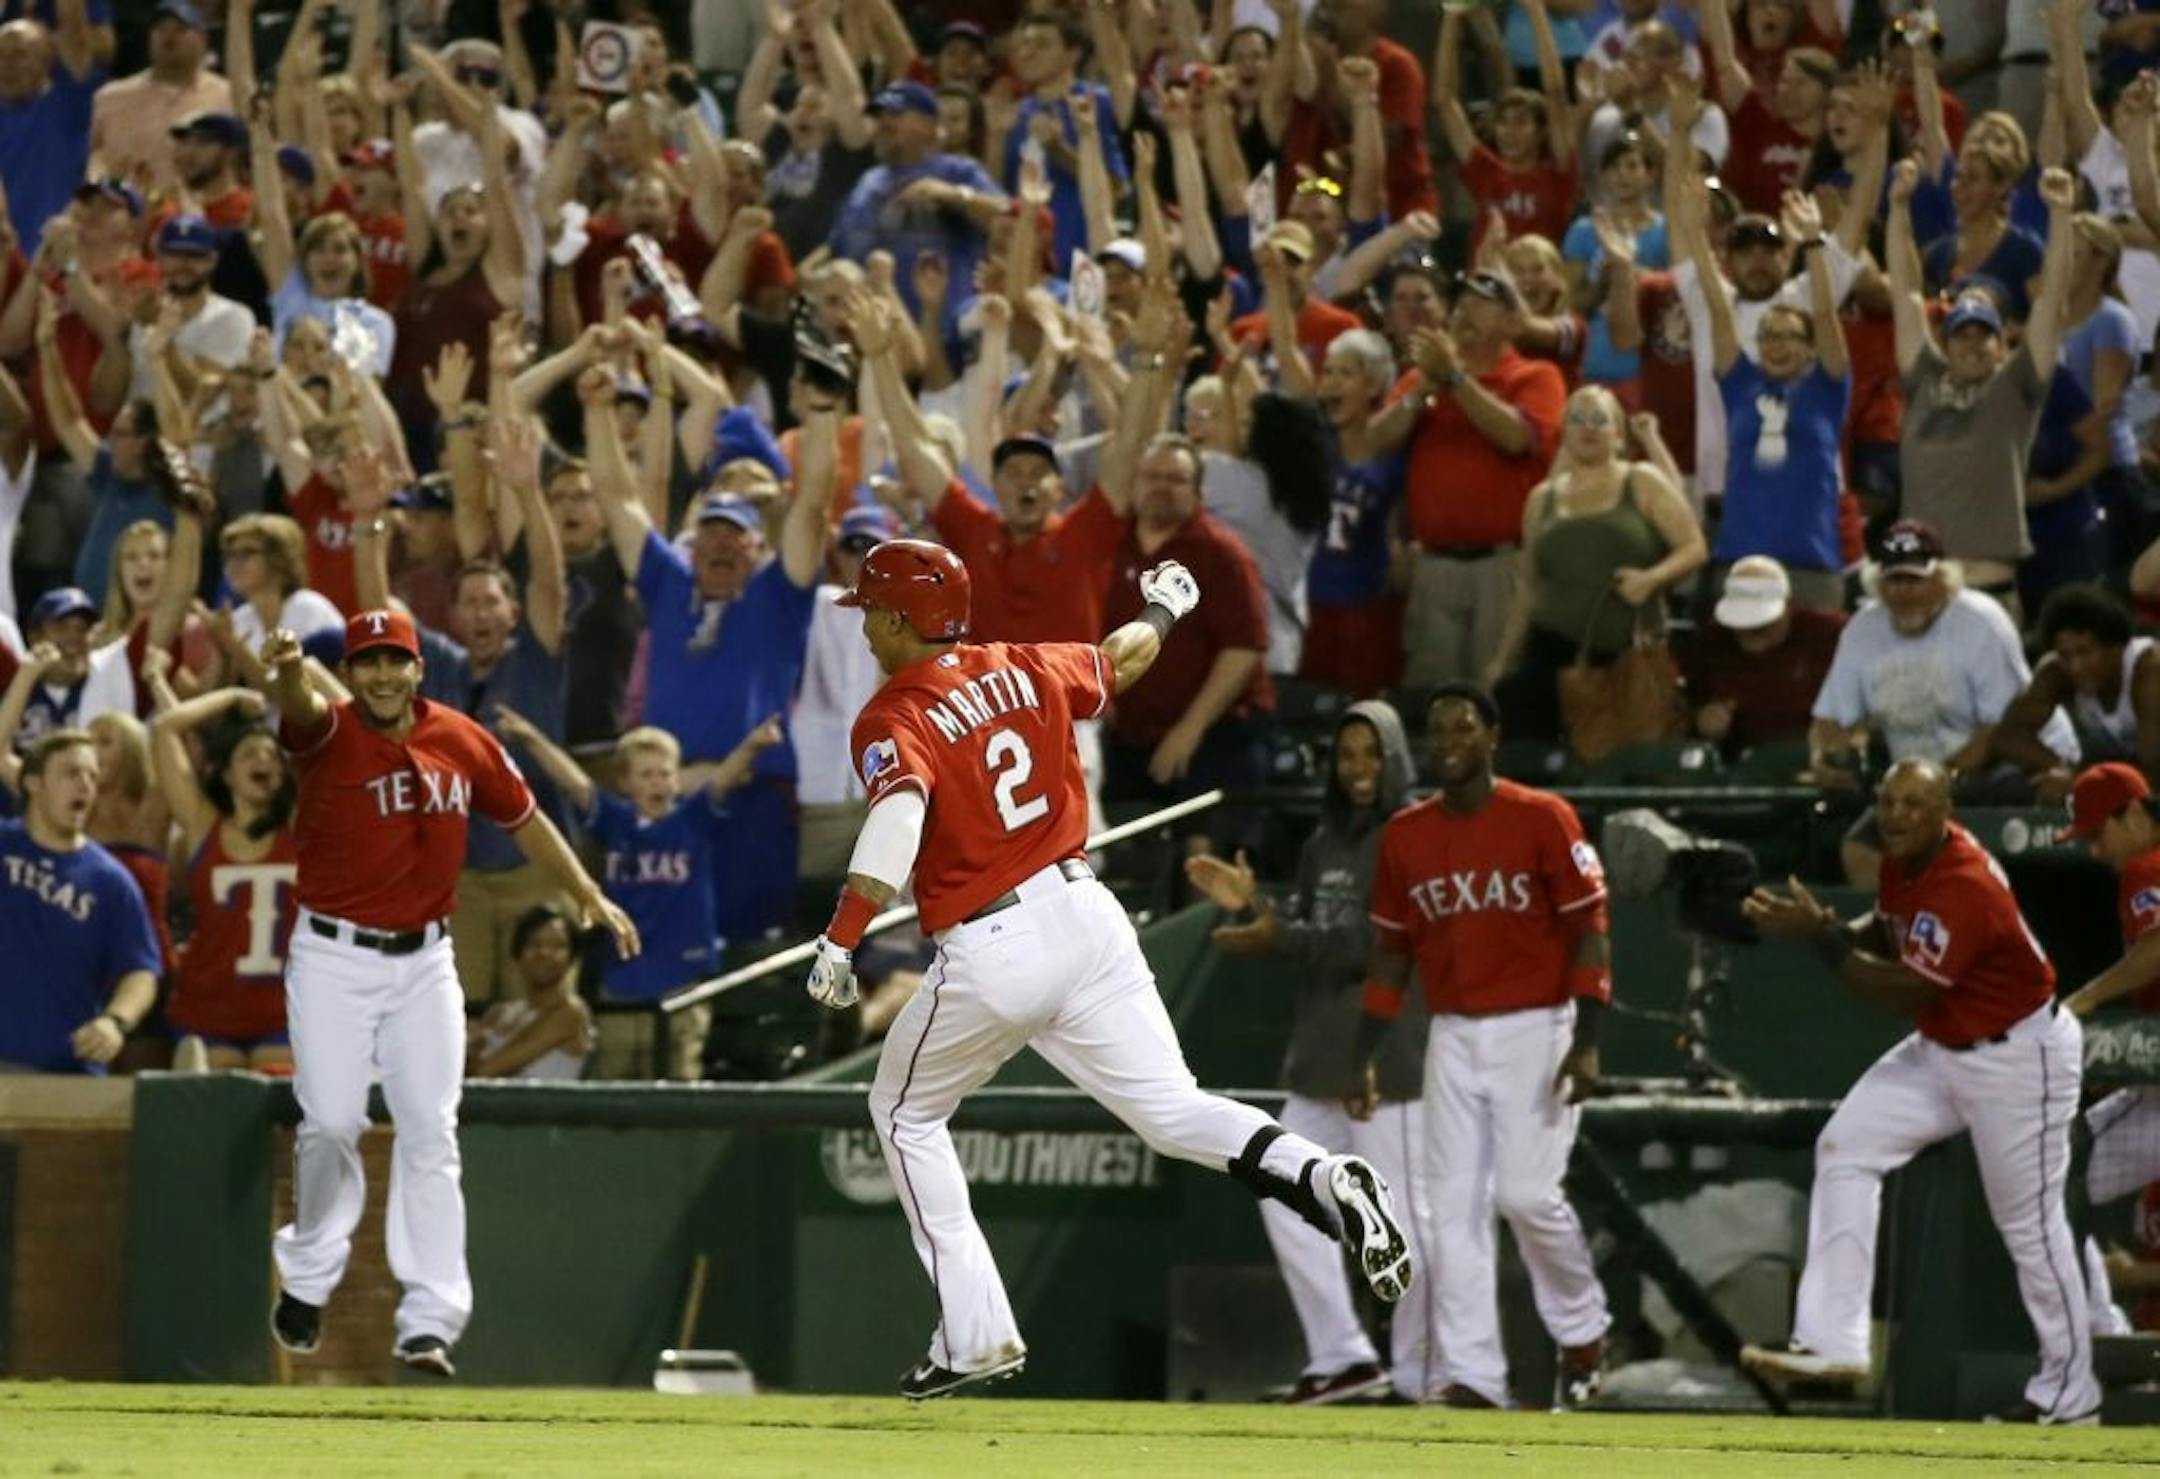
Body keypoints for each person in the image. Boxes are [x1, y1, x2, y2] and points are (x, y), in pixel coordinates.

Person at [805, 540, 1411, 1399]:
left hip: (996, 939)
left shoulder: (893, 713)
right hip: (1090, 916)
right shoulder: (1022, 663)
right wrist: (1166, 607)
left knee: (900, 1112)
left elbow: (900, 816)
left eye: (870, 609)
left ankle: (974, 1332)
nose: (864, 626)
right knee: (1172, 1108)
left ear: (902, 618)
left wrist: (843, 933)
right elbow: (1121, 658)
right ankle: (1319, 1171)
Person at [261, 609, 637, 1380]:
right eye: (367, 662)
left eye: (395, 660)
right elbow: (298, 709)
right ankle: (306, 1275)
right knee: (332, 1121)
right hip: (333, 954)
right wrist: (291, 671)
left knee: (432, 1132)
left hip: (426, 960)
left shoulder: (459, 738)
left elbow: (526, 820)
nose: (382, 675)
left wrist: (584, 890)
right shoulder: (329, 731)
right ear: (353, 670)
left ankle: (429, 1319)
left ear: (418, 666)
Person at [1741, 759, 2101, 1426]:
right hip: (1946, 1048)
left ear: (1947, 812)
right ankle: (1833, 1341)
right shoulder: (1902, 860)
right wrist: (1826, 923)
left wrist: (1817, 938)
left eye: (1914, 803)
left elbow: (1901, 990)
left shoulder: (1964, 882)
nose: (1896, 814)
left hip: (2019, 1055)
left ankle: (2070, 1395)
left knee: (2030, 1228)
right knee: (1846, 1145)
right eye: (1888, 801)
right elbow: (1885, 931)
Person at [1354, 683, 1615, 1410]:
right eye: (1436, 731)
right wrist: (1365, 1050)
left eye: (1463, 728)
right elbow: (1392, 951)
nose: (1448, 743)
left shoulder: (1541, 816)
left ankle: (1584, 1326)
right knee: (1451, 1206)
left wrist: (1588, 1039)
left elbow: (1589, 924)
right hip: (1452, 1031)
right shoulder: (1407, 834)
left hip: (1539, 1022)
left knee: (1527, 1195)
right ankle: (1473, 1374)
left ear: (1492, 736)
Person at [1186, 701, 1439, 1405]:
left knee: (1404, 1220)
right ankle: (1344, 1356)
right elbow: (1307, 929)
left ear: (1395, 757)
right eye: (1347, 754)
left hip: (1390, 1053)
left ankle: (1428, 1374)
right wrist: (1254, 904)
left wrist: (1278, 934)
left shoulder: (1412, 836)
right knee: (1284, 1191)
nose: (1359, 768)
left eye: (1373, 753)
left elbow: (1374, 943)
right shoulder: (1324, 842)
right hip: (1322, 1049)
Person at [492, 711, 780, 1082]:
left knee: (679, 1090)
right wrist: (532, 737)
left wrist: (752, 746)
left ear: (678, 780)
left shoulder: (692, 818)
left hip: (681, 984)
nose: (657, 783)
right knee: (614, 1090)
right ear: (625, 782)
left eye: (665, 773)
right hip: (622, 987)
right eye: (646, 775)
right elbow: (575, 784)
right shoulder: (617, 821)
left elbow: (722, 781)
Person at [1889, 159, 2078, 605]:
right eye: (1962, 334)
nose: (1972, 345)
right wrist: (1898, 208)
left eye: (1984, 335)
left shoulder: (2016, 386)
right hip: (1921, 589)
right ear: (1946, 341)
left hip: (1988, 586)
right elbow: (1904, 291)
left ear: (2003, 342)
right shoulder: (1925, 378)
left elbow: (2052, 301)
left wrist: (2061, 215)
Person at [1489, 385, 1706, 742]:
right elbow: (1528, 585)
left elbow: (1694, 546)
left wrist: (1651, 579)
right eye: (1577, 419)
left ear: (1618, 435)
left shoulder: (1642, 480)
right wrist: (1503, 658)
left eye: (1599, 419)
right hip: (1550, 651)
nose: (1587, 427)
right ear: (1565, 433)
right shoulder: (1541, 498)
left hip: (1627, 654)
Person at [1400, 269, 1568, 689]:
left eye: (1482, 304)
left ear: (1513, 323)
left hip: (1502, 565)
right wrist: (1422, 388)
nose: (1464, 313)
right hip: (1435, 563)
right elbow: (1374, 442)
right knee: (1430, 699)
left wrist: (1456, 379)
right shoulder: (1423, 376)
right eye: (1460, 304)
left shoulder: (1537, 377)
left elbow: (1516, 438)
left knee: (1495, 696)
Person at [1691, 188, 1852, 610]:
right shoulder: (1739, 383)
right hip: (1740, 562)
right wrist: (1695, 236)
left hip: (1811, 566)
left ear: (1810, 347)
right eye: (1767, 336)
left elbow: (1823, 313)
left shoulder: (1826, 389)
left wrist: (1815, 243)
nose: (1776, 345)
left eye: (1788, 336)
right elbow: (1717, 304)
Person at [146, 673, 296, 1072]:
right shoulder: (202, 826)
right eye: (249, 753)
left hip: (283, 1011)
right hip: (207, 1008)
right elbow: (165, 728)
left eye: (272, 756)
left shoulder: (300, 827)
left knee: (282, 1113)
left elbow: (349, 740)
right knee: (209, 1107)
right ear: (227, 774)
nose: (264, 761)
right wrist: (232, 693)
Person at [0, 728, 159, 1073]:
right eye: (72, 773)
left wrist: (115, 1022)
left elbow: (141, 970)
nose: (86, 785)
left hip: (69, 1072)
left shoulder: (110, 880)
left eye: (92, 775)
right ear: (33, 783)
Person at [2059, 765, 2160, 1228]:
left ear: (2136, 815)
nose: (2095, 851)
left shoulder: (2147, 868)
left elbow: (2157, 949)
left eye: (2100, 834)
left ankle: (2081, 1304)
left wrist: (2087, 998)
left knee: (2057, 1179)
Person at [1989, 585, 2159, 797]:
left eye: (2085, 652)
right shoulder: (2056, 671)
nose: (2075, 667)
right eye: (2065, 655)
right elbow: (2007, 737)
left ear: (2116, 646)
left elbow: (2153, 766)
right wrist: (2062, 768)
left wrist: (2080, 780)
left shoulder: (2150, 671)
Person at [1682, 556, 1847, 760]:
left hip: (1816, 754)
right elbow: (1691, 704)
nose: (1751, 631)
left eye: (1762, 625)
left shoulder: (1832, 634)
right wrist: (1703, 720)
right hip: (1740, 761)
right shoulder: (1712, 641)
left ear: (1787, 606)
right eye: (1742, 623)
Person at [86, 0, 231, 193]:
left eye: (181, 29)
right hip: (128, 212)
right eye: (160, 28)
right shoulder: (110, 97)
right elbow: (95, 160)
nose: (168, 36)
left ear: (203, 40)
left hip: (203, 214)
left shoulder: (226, 96)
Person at [465, 905, 594, 1082]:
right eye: (534, 944)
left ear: (571, 958)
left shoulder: (570, 1013)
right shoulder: (499, 1012)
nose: (544, 953)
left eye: (558, 946)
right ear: (517, 955)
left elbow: (486, 1070)